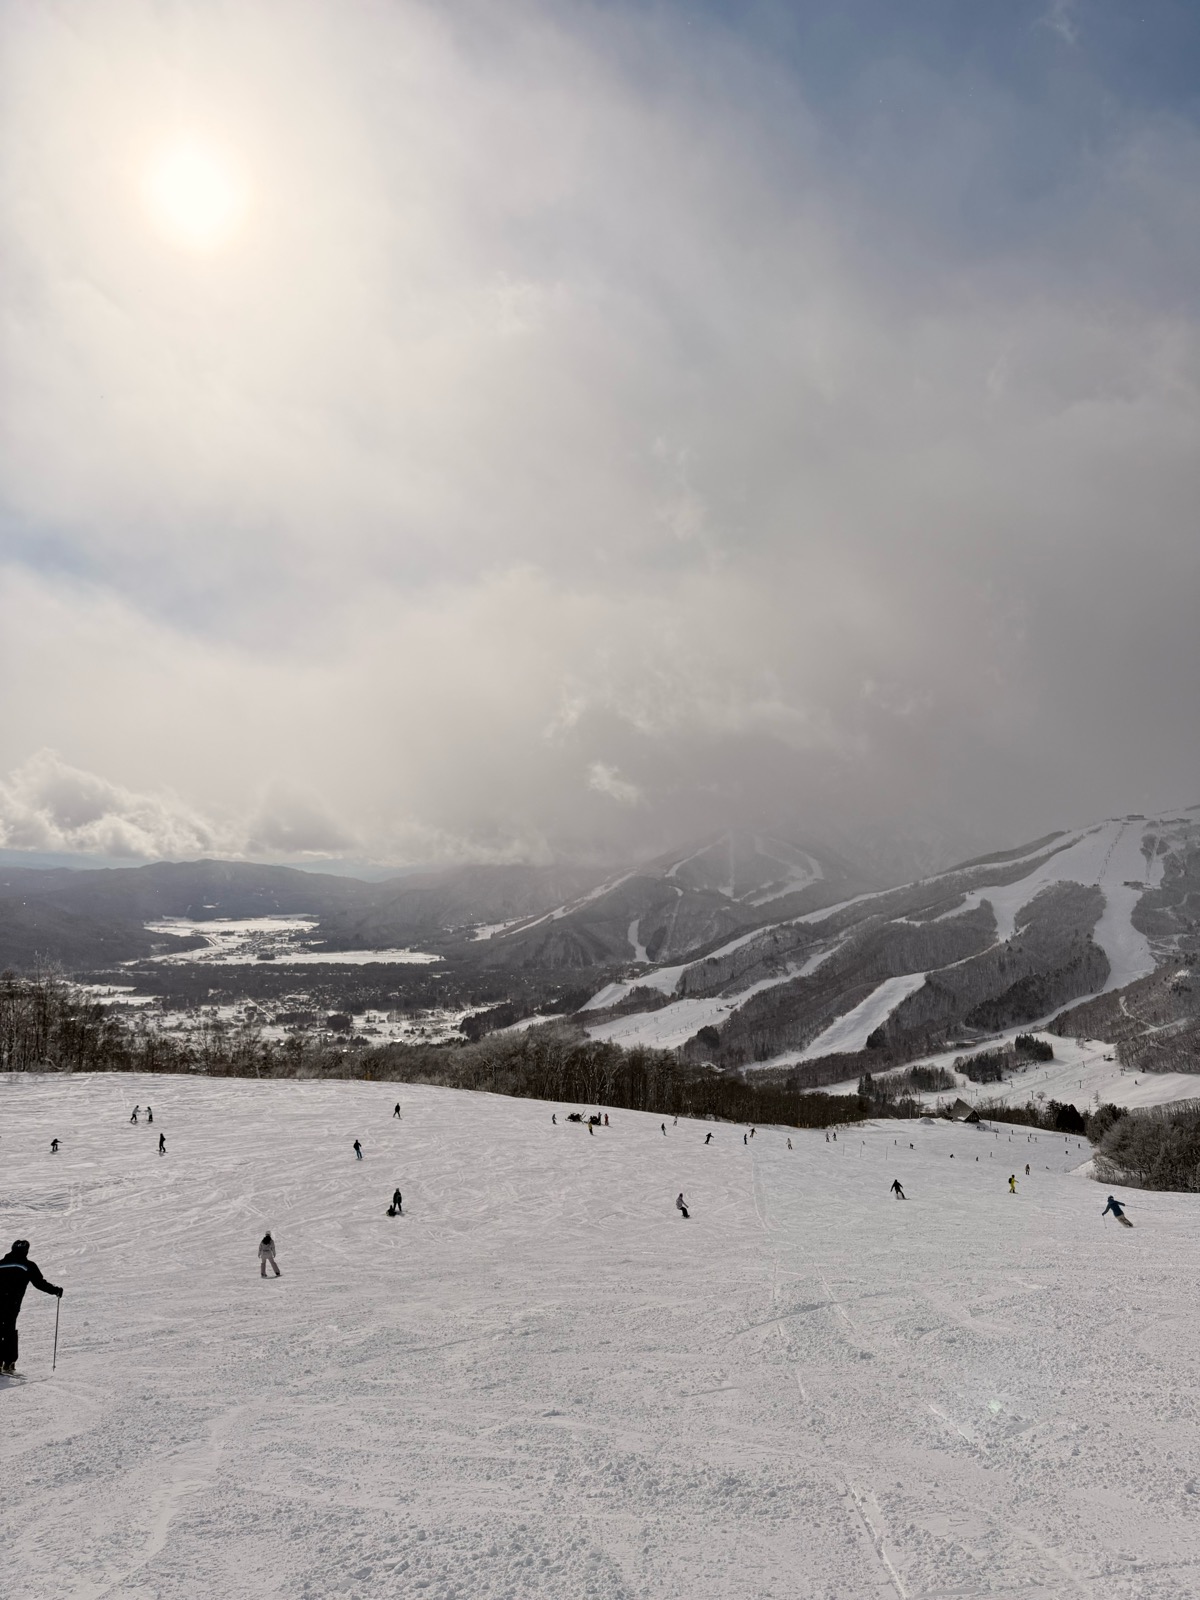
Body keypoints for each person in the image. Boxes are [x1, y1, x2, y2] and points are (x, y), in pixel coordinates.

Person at [0, 1239, 62, 1374]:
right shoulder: (28, 1265)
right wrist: (55, 1290)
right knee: (9, 1329)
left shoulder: (1, 1264)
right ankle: (9, 1362)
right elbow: (39, 1283)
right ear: (26, 1251)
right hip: (12, 1303)